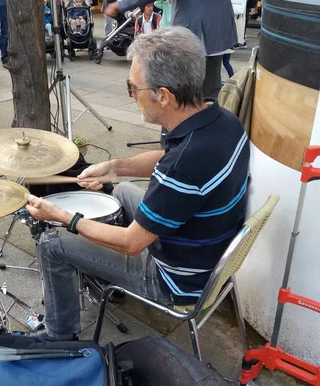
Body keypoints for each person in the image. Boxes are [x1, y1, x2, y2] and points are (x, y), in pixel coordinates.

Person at [24, 28, 249, 341]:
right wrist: (115, 168)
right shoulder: (222, 120)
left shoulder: (184, 163)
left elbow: (132, 243)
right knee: (122, 190)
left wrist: (63, 217)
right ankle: (101, 270)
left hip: (174, 281)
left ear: (164, 95)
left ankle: (59, 335)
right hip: (206, 252)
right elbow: (166, 157)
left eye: (134, 88)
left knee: (52, 244)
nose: (132, 96)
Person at [104, 0, 237, 100]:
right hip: (218, 30)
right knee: (211, 89)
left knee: (181, 94)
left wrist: (123, 4)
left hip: (192, 34)